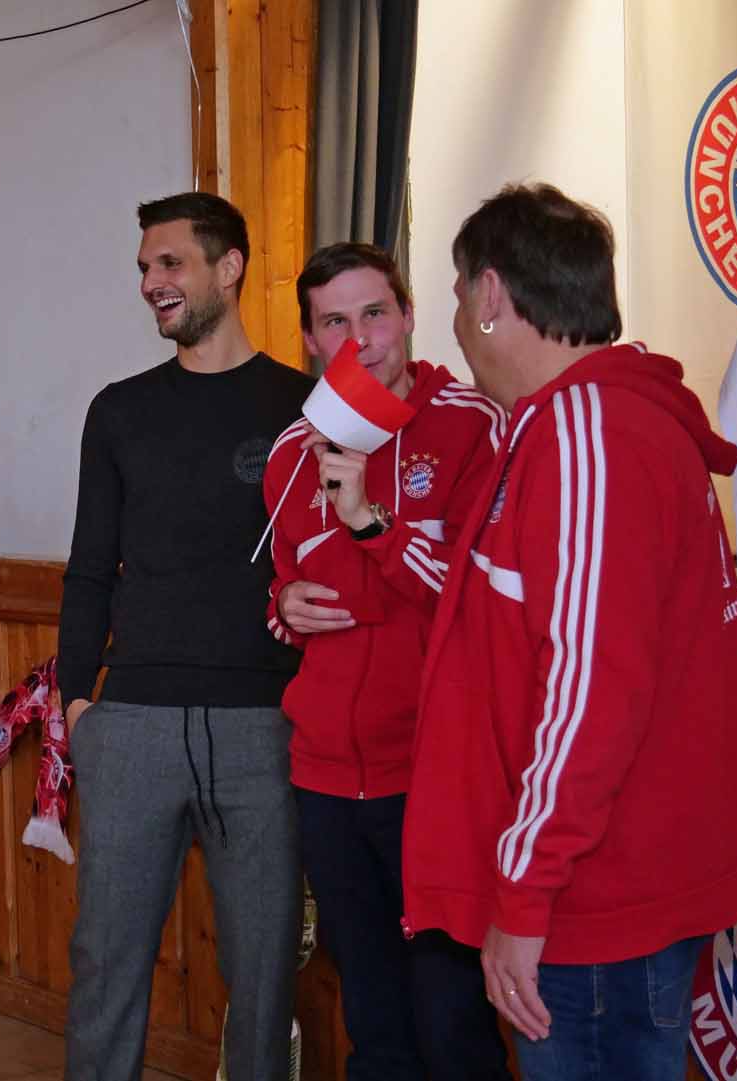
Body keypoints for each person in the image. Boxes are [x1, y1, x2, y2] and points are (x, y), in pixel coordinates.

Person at [405, 183, 737, 1081]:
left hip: (594, 893)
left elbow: (590, 690)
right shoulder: (581, 423)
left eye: (458, 298)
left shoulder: (587, 431)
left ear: (491, 294)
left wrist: (525, 891)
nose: (456, 328)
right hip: (601, 880)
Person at [58, 192, 310, 1081]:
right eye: (143, 267)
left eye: (169, 263)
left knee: (266, 977)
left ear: (228, 267)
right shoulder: (118, 411)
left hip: (264, 729)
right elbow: (89, 569)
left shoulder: (304, 405)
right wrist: (77, 706)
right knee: (105, 966)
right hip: (131, 725)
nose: (150, 283)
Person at [264, 241, 509, 1080]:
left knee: (452, 1021)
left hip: (433, 776)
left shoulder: (474, 426)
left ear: (407, 315)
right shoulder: (290, 451)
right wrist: (283, 607)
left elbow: (484, 604)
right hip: (326, 778)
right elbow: (287, 594)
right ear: (310, 339)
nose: (360, 338)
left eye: (375, 313)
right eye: (335, 321)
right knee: (373, 1022)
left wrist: (372, 522)